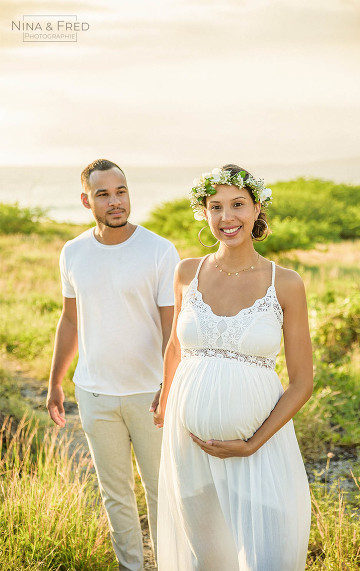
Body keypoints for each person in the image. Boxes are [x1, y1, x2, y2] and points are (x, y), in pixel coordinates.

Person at [152, 164, 312, 569]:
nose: (227, 217)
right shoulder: (187, 272)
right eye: (215, 206)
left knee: (267, 557)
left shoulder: (286, 282)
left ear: (257, 208)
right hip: (188, 445)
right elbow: (175, 345)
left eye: (238, 204)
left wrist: (251, 443)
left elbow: (302, 383)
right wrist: (165, 397)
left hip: (259, 450)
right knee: (208, 561)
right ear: (203, 212)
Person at [46, 158, 180, 570]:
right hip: (95, 393)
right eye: (103, 194)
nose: (115, 201)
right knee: (115, 494)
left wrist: (168, 387)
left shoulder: (159, 250)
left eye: (120, 191)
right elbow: (70, 319)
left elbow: (171, 328)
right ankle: (131, 567)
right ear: (87, 201)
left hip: (150, 394)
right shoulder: (73, 252)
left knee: (162, 492)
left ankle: (170, 564)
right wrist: (55, 382)